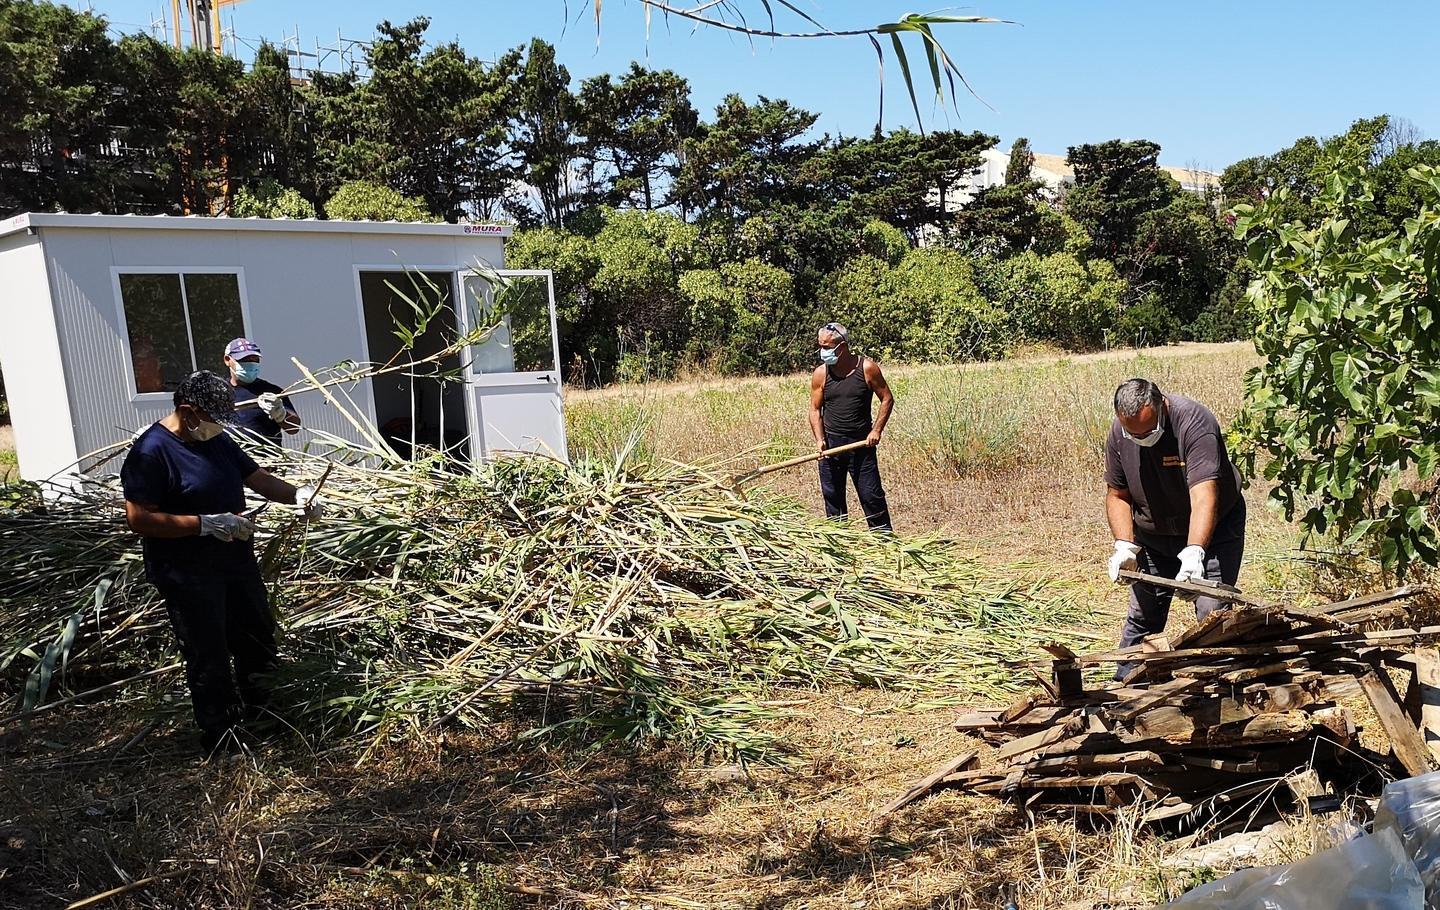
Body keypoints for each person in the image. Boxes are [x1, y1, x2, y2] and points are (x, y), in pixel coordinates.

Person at [120, 370, 323, 756]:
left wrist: (298, 495)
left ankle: (266, 719)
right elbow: (139, 519)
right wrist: (203, 524)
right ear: (188, 412)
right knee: (208, 651)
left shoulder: (216, 441)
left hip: (235, 560)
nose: (219, 427)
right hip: (188, 571)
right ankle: (222, 737)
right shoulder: (152, 452)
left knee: (256, 638)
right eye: (214, 420)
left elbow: (257, 478)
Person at [1104, 378, 1246, 679]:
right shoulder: (1120, 432)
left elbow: (1204, 495)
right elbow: (1117, 494)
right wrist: (1124, 546)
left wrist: (1195, 551)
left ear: (1161, 406)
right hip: (1154, 537)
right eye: (1133, 434)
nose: (1140, 438)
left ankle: (1217, 687)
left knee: (1212, 611)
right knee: (1143, 615)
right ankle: (1126, 687)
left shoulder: (1195, 423)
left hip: (1214, 531)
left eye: (1148, 432)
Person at [808, 322, 895, 531]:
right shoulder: (821, 374)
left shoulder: (867, 368)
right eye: (821, 346)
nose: (823, 352)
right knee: (833, 502)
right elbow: (814, 410)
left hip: (861, 445)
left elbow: (887, 399)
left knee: (871, 496)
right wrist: (820, 440)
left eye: (827, 347)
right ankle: (839, 545)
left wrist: (876, 430)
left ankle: (885, 544)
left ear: (842, 346)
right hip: (831, 446)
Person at [223, 338, 299, 445]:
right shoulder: (219, 392)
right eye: (244, 360)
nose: (251, 364)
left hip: (267, 459)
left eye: (255, 360)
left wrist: (280, 414)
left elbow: (294, 428)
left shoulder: (272, 391)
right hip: (230, 459)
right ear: (227, 360)